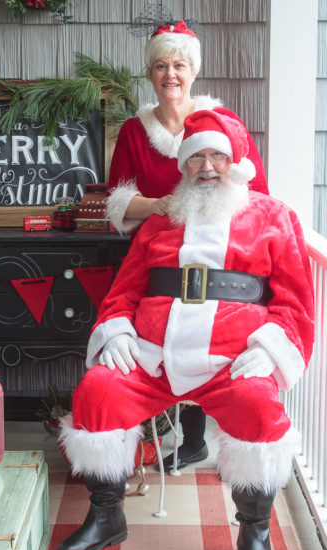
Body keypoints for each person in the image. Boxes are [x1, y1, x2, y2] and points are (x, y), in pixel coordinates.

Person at [56, 110, 314, 550]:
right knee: (98, 390)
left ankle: (254, 531)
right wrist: (117, 332)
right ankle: (106, 515)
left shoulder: (274, 218)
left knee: (260, 406)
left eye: (218, 155)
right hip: (153, 356)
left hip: (231, 362)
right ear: (184, 167)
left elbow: (297, 302)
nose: (208, 167)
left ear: (236, 163)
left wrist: (274, 348)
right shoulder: (161, 222)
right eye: (197, 158)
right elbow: (124, 291)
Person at [105, 19, 270, 472]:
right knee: (164, 333)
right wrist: (158, 205)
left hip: (218, 253)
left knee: (208, 328)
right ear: (150, 73)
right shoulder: (136, 132)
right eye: (161, 65)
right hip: (157, 253)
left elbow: (257, 194)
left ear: (193, 71)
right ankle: (133, 435)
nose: (170, 75)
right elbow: (117, 198)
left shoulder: (223, 124)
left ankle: (200, 439)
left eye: (179, 65)